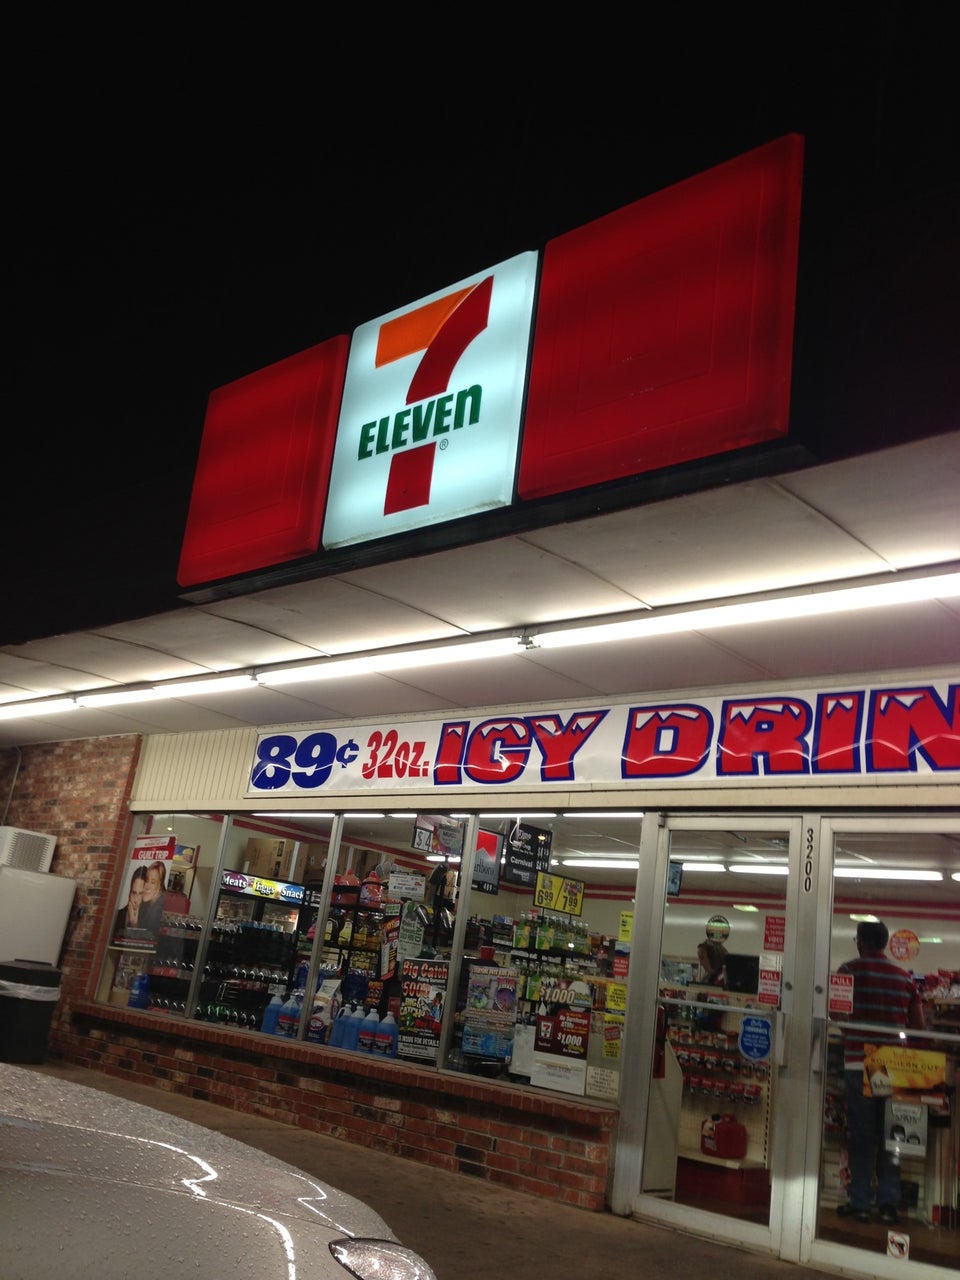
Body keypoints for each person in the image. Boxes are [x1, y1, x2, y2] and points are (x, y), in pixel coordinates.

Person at [835, 919, 925, 1226]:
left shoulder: (848, 971)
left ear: (861, 941)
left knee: (861, 1135)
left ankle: (860, 1203)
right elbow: (918, 1026)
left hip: (859, 1060)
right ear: (885, 943)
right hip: (891, 1062)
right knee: (891, 1136)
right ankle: (888, 1205)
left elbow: (836, 1014)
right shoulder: (904, 977)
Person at [113, 867, 148, 936]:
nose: (136, 900)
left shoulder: (149, 920)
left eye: (141, 894)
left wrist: (134, 926)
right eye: (134, 893)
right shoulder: (116, 916)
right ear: (129, 893)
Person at [138, 861, 168, 936]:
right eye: (146, 880)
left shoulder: (157, 910)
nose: (147, 886)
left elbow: (148, 936)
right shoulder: (146, 905)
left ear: (160, 886)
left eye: (153, 882)